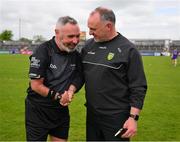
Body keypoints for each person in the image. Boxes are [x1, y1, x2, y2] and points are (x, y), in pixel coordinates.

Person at [81, 7, 147, 141]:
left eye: (93, 29)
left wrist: (133, 118)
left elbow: (138, 86)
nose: (90, 33)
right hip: (92, 115)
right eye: (89, 28)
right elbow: (78, 74)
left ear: (108, 26)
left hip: (117, 118)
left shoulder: (128, 50)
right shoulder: (88, 47)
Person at [25, 16, 83, 141]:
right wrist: (59, 96)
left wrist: (71, 91)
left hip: (60, 111)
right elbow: (36, 85)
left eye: (77, 36)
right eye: (70, 36)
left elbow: (79, 76)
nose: (75, 41)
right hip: (38, 111)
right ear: (57, 32)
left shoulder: (75, 55)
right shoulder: (43, 51)